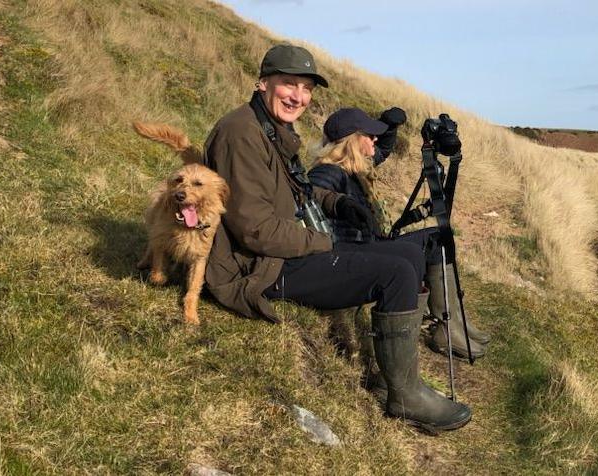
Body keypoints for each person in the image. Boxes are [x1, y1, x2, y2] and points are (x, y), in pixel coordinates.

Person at [201, 44, 471, 432]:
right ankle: (405, 398)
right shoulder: (241, 133)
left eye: (307, 88)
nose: (299, 96)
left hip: (283, 249)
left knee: (409, 259)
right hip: (259, 266)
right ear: (263, 83)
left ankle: (399, 375)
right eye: (288, 84)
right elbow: (254, 230)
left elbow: (294, 189)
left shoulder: (271, 126)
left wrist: (335, 201)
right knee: (395, 272)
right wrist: (323, 243)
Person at [307, 107, 492, 360]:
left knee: (438, 239)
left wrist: (388, 126)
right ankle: (445, 329)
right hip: (353, 252)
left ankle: (453, 321)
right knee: (418, 248)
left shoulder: (355, 167)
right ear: (351, 140)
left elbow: (381, 149)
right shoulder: (328, 171)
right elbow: (311, 192)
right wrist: (339, 202)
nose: (374, 139)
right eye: (369, 134)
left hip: (370, 243)